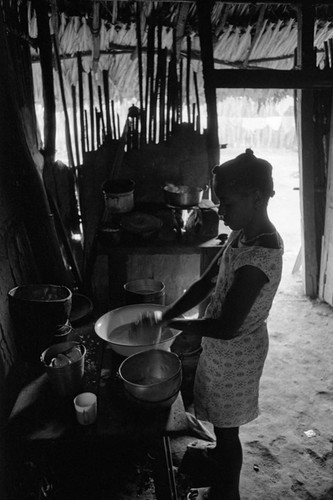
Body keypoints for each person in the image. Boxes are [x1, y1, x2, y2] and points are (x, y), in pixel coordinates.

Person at [134, 148, 284, 500]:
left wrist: (179, 326)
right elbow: (206, 282)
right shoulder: (243, 233)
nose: (221, 211)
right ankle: (218, 457)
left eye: (227, 203)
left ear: (257, 197)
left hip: (238, 355)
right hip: (221, 351)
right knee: (219, 420)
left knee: (228, 431)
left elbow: (227, 326)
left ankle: (227, 490)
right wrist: (169, 313)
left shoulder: (260, 257)